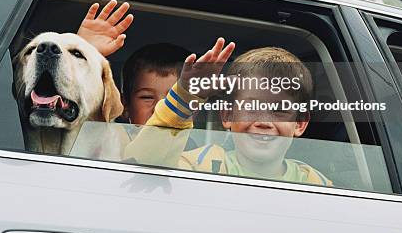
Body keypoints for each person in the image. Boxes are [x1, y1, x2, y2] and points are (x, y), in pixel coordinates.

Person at [124, 45, 331, 187]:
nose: (264, 122)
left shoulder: (314, 182)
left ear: (300, 124)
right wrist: (184, 97)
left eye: (279, 110)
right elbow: (143, 163)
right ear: (228, 115)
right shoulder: (202, 164)